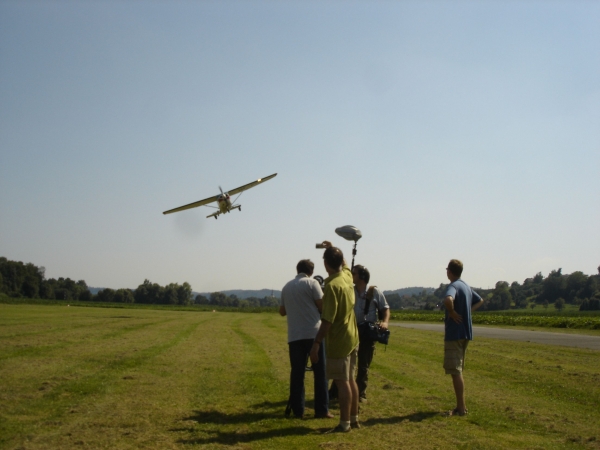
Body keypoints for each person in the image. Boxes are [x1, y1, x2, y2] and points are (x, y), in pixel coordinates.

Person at [310, 242, 360, 433]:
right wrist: (333, 247)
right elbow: (345, 264)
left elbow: (327, 321)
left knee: (342, 382)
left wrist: (316, 343)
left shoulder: (331, 286)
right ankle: (354, 418)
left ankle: (344, 423)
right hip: (353, 336)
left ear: (325, 264)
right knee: (351, 379)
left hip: (339, 340)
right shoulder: (347, 276)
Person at [280, 259, 333, 419]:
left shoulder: (286, 287)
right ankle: (322, 409)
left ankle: (298, 410)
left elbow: (282, 311)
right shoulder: (312, 284)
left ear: (297, 270)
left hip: (294, 335)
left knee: (297, 373)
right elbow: (322, 306)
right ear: (311, 271)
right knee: (320, 373)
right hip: (313, 333)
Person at [443, 259, 483, 416]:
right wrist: (468, 311)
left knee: (455, 371)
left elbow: (448, 299)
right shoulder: (465, 286)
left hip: (455, 334)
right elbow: (480, 300)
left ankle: (461, 408)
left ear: (450, 271)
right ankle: (461, 406)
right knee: (458, 370)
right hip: (466, 333)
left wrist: (452, 312)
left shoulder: (453, 286)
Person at [352, 265, 390, 403]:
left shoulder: (374, 292)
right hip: (352, 330)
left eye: (354, 273)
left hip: (367, 333)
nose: (351, 275)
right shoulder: (350, 290)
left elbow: (385, 309)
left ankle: (360, 394)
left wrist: (385, 322)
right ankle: (337, 391)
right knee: (347, 363)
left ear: (362, 276)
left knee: (363, 365)